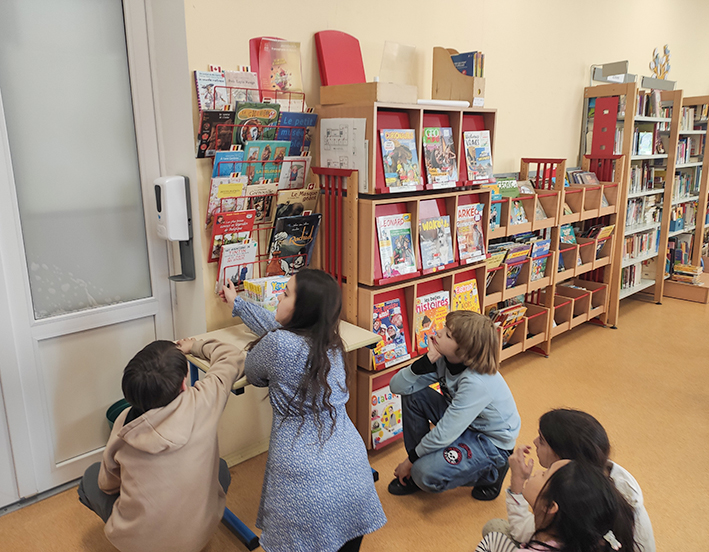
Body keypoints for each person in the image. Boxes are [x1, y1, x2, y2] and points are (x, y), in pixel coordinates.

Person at [220, 269, 386, 552]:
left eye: (285, 294)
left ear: (303, 309)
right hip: (354, 472)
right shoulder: (331, 342)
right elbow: (278, 328)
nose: (277, 299)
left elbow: (255, 372)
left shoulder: (277, 345)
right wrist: (238, 304)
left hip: (307, 488)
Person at [77, 338, 246, 552]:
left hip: (141, 545)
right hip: (199, 537)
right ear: (184, 383)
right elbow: (232, 355)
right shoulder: (205, 400)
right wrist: (193, 346)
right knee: (220, 468)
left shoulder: (124, 423)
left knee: (91, 478)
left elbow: (107, 484)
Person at [388, 310, 520, 499]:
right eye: (444, 328)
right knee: (413, 393)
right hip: (465, 424)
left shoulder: (476, 382)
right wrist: (424, 362)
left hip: (491, 442)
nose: (439, 332)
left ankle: (492, 472)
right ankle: (416, 466)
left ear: (465, 351)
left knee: (422, 473)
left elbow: (445, 433)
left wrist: (409, 463)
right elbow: (398, 387)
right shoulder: (444, 359)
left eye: (448, 335)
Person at [484, 408, 655, 552]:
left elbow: (523, 530)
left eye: (542, 440)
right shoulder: (594, 485)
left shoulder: (573, 506)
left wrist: (517, 482)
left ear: (563, 458)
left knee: (494, 529)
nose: (535, 442)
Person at [475, 460, 636, 552]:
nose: (537, 472)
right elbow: (520, 528)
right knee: (495, 529)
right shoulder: (578, 535)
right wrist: (517, 482)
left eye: (544, 474)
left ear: (551, 506)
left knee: (493, 537)